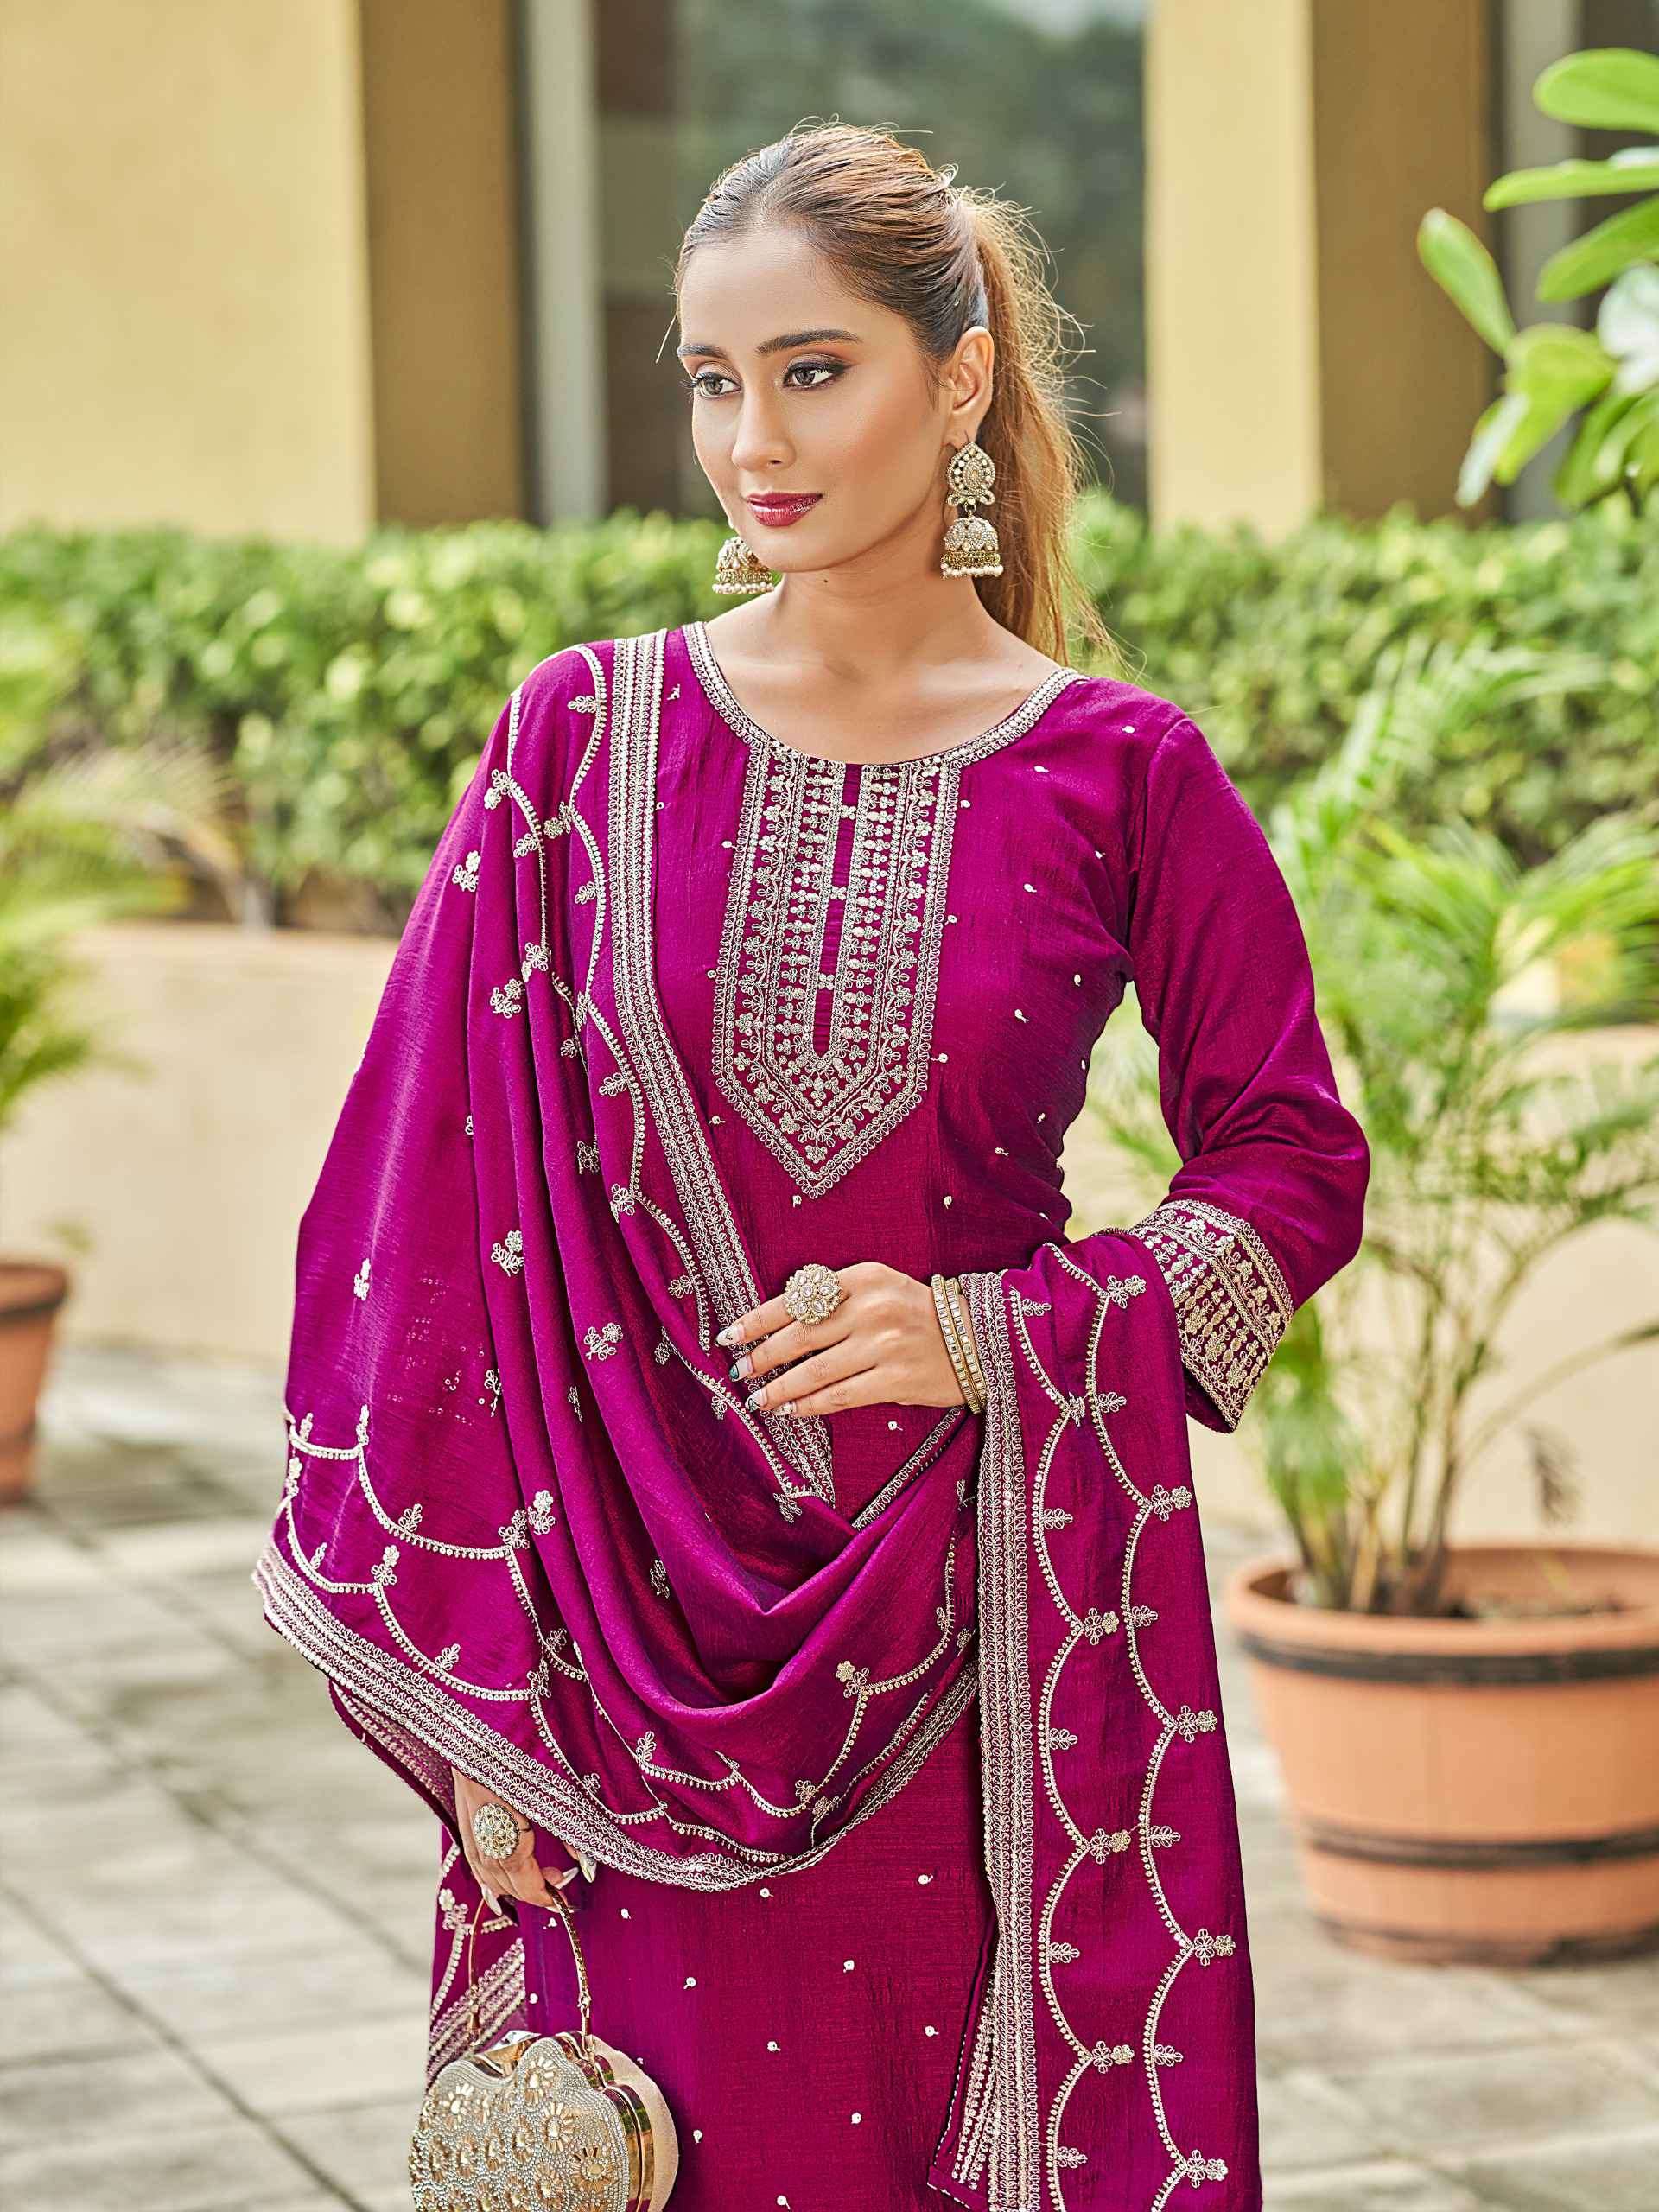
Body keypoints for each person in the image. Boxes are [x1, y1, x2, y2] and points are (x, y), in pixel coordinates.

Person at [253, 120, 1369, 2212]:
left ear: (959, 382)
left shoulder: (1122, 771)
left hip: (976, 1649)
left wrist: (996, 1333)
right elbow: (417, 1220)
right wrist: (474, 1700)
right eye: (711, 378)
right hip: (608, 1673)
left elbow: (1291, 1156)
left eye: (814, 370)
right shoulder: (577, 742)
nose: (752, 440)